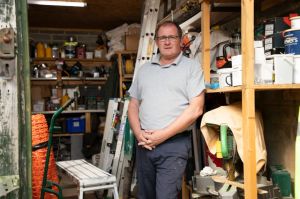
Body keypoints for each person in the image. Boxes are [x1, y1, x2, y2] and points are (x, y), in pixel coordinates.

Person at [127, 21, 205, 199]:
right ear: (156, 42)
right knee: (144, 196)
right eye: (163, 38)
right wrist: (139, 133)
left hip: (173, 146)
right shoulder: (144, 70)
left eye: (172, 37)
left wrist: (162, 135)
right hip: (144, 145)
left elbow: (196, 109)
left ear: (180, 40)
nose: (167, 42)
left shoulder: (192, 68)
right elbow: (133, 105)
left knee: (165, 196)